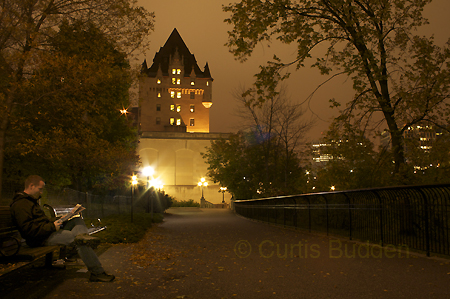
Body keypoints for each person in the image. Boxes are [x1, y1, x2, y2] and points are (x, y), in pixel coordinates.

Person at [10, 175, 115, 282]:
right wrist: (52, 226)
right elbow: (29, 230)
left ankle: (83, 236)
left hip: (45, 232)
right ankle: (97, 272)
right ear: (31, 186)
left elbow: (41, 221)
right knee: (77, 240)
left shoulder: (30, 202)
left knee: (76, 220)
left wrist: (61, 219)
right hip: (38, 239)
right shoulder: (21, 204)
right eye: (40, 189)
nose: (41, 192)